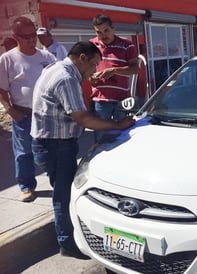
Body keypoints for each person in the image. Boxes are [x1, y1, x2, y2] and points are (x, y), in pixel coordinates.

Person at [31, 41, 135, 259]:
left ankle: (68, 237)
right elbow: (83, 118)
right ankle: (68, 243)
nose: (95, 71)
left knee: (63, 191)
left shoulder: (56, 69)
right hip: (56, 146)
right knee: (63, 195)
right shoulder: (66, 78)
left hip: (52, 143)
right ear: (82, 59)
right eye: (94, 64)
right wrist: (118, 125)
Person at [0, 16, 56, 202]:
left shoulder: (46, 56)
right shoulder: (7, 60)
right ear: (16, 36)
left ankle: (58, 183)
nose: (32, 40)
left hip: (47, 115)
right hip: (22, 115)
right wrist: (10, 110)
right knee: (24, 153)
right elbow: (2, 88)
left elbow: (60, 78)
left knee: (51, 150)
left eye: (34, 35)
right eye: (26, 37)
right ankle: (27, 186)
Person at [89, 14, 140, 141]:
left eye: (106, 30)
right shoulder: (91, 45)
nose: (103, 35)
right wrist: (90, 77)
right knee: (100, 138)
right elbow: (85, 69)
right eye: (99, 32)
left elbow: (135, 69)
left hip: (122, 100)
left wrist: (114, 71)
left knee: (123, 136)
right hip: (100, 100)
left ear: (113, 28)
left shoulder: (127, 45)